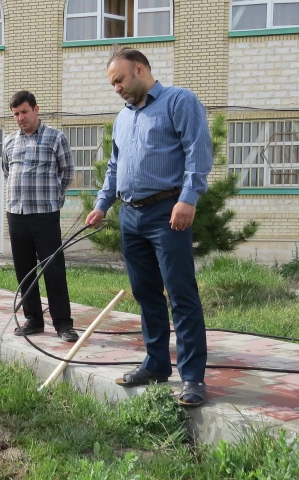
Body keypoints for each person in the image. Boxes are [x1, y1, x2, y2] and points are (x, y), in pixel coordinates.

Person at [85, 47, 212, 407]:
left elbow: (197, 152)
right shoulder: (122, 119)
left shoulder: (179, 101)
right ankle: (156, 364)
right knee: (145, 294)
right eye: (113, 84)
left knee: (181, 294)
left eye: (120, 80)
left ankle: (192, 377)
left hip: (167, 212)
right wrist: (102, 205)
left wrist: (188, 199)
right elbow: (114, 167)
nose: (117, 89)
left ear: (139, 70)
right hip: (131, 216)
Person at [1, 90, 79, 343]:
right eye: (15, 114)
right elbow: (6, 172)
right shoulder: (9, 141)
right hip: (17, 214)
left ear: (36, 110)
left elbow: (66, 173)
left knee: (53, 269)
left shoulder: (56, 137)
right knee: (24, 269)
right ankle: (33, 319)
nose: (20, 118)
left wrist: (54, 200)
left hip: (45, 214)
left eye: (24, 112)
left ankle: (63, 323)